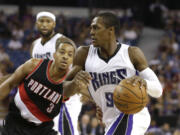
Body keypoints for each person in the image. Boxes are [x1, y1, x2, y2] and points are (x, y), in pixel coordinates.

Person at [63, 12, 163, 135]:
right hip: (110, 121)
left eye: (96, 28)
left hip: (133, 115)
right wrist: (74, 84)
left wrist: (144, 83)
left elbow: (158, 91)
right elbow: (62, 90)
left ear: (111, 30)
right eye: (91, 28)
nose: (91, 32)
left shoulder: (131, 53)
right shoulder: (83, 53)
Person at [0, 40, 76, 135]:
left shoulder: (70, 82)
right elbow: (10, 83)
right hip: (16, 121)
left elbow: (89, 93)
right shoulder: (34, 65)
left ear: (72, 60)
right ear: (54, 54)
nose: (65, 56)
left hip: (43, 129)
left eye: (70, 55)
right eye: (62, 52)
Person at [30, 11, 82, 135]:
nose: (44, 24)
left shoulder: (62, 41)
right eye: (41, 21)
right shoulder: (34, 45)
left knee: (67, 130)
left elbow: (77, 64)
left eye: (48, 21)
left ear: (54, 24)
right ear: (37, 23)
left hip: (65, 95)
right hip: (46, 95)